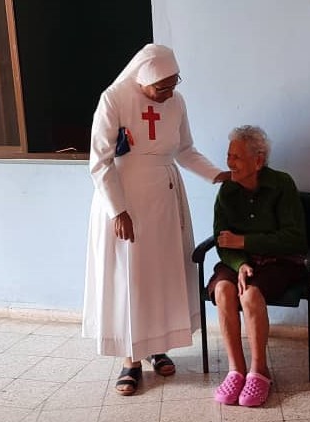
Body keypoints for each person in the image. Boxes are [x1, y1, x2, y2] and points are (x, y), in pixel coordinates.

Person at [82, 44, 227, 396]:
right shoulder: (114, 98)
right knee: (130, 277)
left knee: (161, 274)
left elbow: (186, 150)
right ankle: (131, 360)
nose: (170, 92)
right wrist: (118, 209)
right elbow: (100, 161)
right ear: (143, 79)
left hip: (164, 199)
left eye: (174, 84)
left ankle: (157, 345)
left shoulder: (176, 102)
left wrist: (217, 175)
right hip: (124, 199)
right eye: (162, 87)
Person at [207, 125, 308, 407]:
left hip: (279, 260)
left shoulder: (282, 184)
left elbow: (294, 238)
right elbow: (223, 240)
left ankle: (259, 371)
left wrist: (245, 241)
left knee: (250, 295)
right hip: (239, 262)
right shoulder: (227, 191)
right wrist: (239, 263)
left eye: (236, 157)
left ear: (258, 160)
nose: (230, 163)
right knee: (224, 290)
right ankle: (236, 370)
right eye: (229, 155)